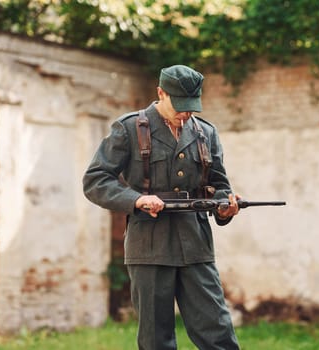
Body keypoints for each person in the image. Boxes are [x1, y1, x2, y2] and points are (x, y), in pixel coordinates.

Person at [83, 64, 241, 350]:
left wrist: (224, 206)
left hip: (196, 245)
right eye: (180, 105)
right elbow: (95, 181)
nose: (187, 113)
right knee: (156, 339)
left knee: (218, 333)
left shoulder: (206, 133)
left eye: (192, 106)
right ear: (161, 93)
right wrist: (136, 200)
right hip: (149, 247)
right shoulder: (129, 128)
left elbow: (219, 184)